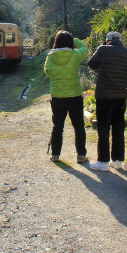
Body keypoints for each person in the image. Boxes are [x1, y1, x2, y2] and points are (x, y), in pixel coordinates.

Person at [87, 31, 127, 171]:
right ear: (120, 40)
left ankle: (103, 161)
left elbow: (91, 64)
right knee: (118, 129)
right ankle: (117, 160)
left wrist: (100, 49)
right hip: (120, 96)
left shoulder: (103, 49)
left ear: (107, 41)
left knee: (103, 130)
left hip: (104, 97)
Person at [44, 30, 89, 163]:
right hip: (75, 95)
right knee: (79, 126)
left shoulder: (50, 56)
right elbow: (85, 49)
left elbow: (47, 72)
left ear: (56, 42)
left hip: (57, 96)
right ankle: (81, 155)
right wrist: (73, 40)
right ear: (70, 42)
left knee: (57, 126)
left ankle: (55, 155)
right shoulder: (74, 54)